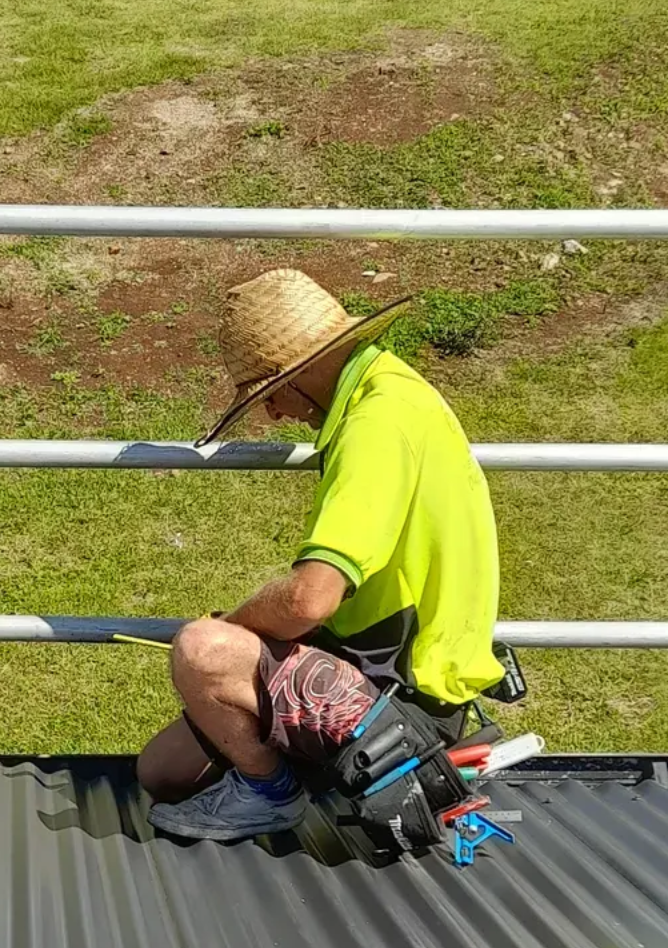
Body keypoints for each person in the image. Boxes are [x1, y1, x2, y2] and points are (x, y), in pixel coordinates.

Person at [139, 267, 504, 841]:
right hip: (376, 668)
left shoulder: (375, 426)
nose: (275, 414)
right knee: (164, 771)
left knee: (203, 650)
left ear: (299, 371)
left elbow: (311, 598)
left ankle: (271, 794)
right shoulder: (393, 394)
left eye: (269, 392)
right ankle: (297, 771)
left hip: (401, 698)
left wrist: (233, 631)